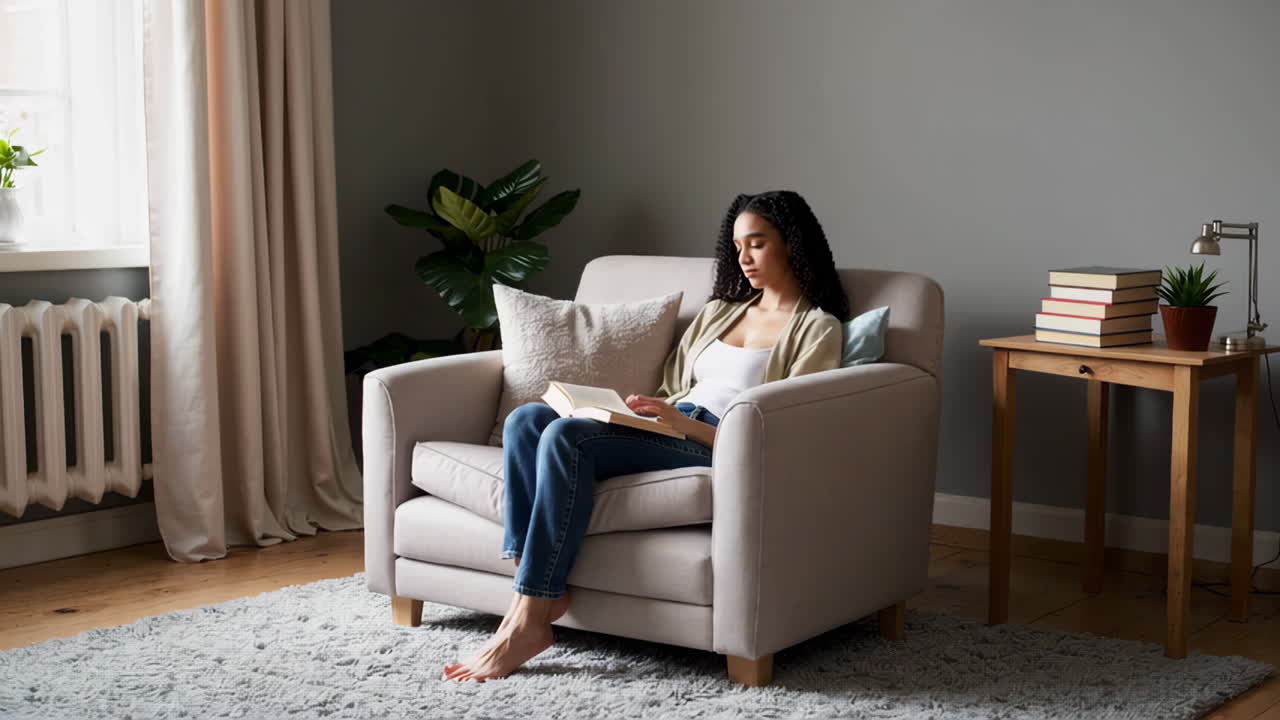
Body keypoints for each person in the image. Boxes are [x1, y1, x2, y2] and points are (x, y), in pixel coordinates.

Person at [441, 189, 850, 682]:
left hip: (714, 442)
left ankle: (528, 616)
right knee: (526, 421)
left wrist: (683, 426)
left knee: (567, 438)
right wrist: (640, 413)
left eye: (758, 244)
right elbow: (674, 388)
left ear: (792, 244)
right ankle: (531, 586)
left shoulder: (817, 328)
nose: (744, 258)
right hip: (666, 426)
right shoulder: (721, 311)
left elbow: (784, 434)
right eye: (738, 245)